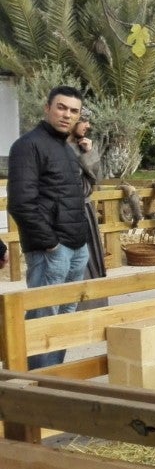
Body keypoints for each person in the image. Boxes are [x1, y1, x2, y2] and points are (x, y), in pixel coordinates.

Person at [7, 86, 92, 368]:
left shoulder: (65, 148)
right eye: (61, 107)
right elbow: (21, 203)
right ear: (47, 108)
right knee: (43, 321)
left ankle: (56, 383)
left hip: (76, 248)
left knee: (65, 322)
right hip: (50, 251)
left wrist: (80, 245)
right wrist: (51, 244)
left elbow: (79, 192)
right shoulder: (27, 146)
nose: (66, 114)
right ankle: (38, 390)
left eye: (73, 110)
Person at [71, 114, 107, 282]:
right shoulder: (58, 148)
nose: (88, 125)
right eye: (84, 121)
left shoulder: (86, 146)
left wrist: (90, 153)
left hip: (86, 211)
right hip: (69, 213)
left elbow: (97, 179)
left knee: (91, 262)